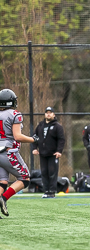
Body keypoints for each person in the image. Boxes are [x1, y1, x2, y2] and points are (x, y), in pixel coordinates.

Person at [0, 89, 39, 218]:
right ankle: (4, 198)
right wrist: (33, 139)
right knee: (24, 178)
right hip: (9, 152)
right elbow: (17, 136)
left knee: (2, 182)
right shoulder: (15, 114)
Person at [32, 107, 65, 198]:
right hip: (43, 154)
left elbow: (61, 140)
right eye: (47, 112)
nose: (48, 114)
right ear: (45, 114)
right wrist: (35, 148)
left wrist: (59, 151)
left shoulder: (57, 126)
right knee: (44, 172)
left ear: (54, 114)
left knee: (52, 172)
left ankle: (52, 191)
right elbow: (35, 137)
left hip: (53, 154)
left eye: (50, 113)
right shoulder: (40, 125)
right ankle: (46, 190)